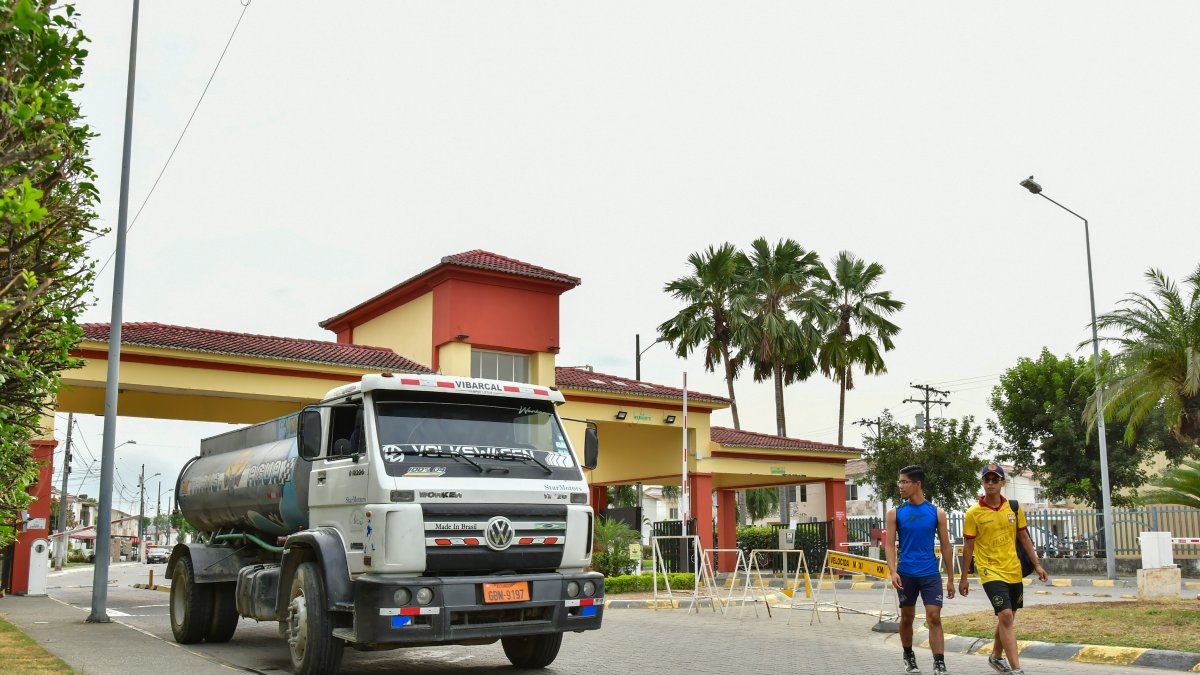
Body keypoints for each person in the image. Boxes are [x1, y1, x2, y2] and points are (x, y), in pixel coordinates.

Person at [959, 463, 1049, 675]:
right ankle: (1017, 668)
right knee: (1006, 616)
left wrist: (1036, 564)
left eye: (994, 479)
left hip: (1013, 569)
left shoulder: (1014, 508)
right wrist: (963, 577)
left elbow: (1024, 537)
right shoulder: (973, 513)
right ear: (982, 483)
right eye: (986, 479)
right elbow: (969, 546)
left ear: (1002, 483)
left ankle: (996, 656)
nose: (990, 483)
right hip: (990, 571)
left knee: (1007, 618)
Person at [885, 465, 956, 675]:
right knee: (907, 617)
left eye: (904, 482)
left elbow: (946, 546)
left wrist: (951, 578)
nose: (900, 486)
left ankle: (939, 662)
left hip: (930, 573)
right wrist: (893, 571)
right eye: (899, 482)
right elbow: (889, 545)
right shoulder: (895, 513)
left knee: (934, 616)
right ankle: (908, 655)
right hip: (906, 573)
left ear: (918, 484)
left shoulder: (937, 513)